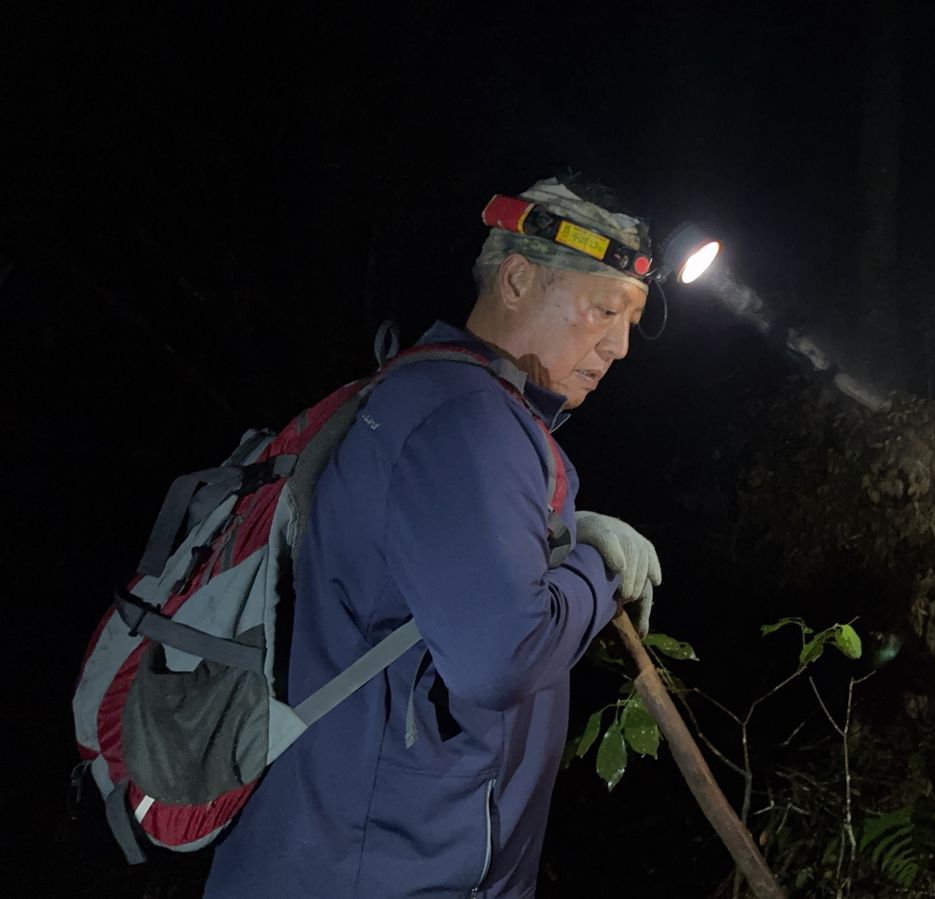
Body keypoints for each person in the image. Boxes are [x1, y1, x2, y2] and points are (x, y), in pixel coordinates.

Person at [205, 176, 663, 898]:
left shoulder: (424, 393)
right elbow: (502, 658)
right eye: (604, 310)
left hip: (338, 852)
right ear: (517, 279)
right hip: (382, 871)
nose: (620, 345)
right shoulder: (465, 421)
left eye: (631, 319)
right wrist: (598, 567)